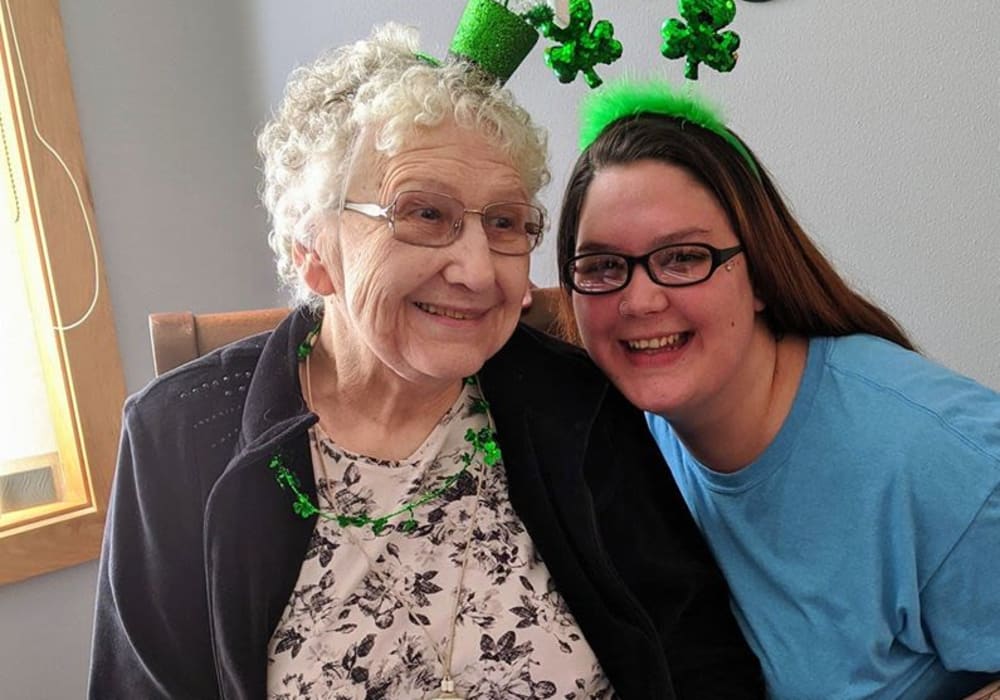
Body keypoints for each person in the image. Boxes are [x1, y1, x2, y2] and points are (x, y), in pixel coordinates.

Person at [88, 26, 764, 700]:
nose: (475, 270)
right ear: (314, 251)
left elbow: (697, 653)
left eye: (503, 223)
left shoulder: (574, 404)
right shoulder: (179, 436)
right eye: (424, 213)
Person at [555, 78, 1000, 700]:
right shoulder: (616, 433)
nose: (640, 300)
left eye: (683, 257)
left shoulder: (937, 458)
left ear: (760, 275)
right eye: (603, 266)